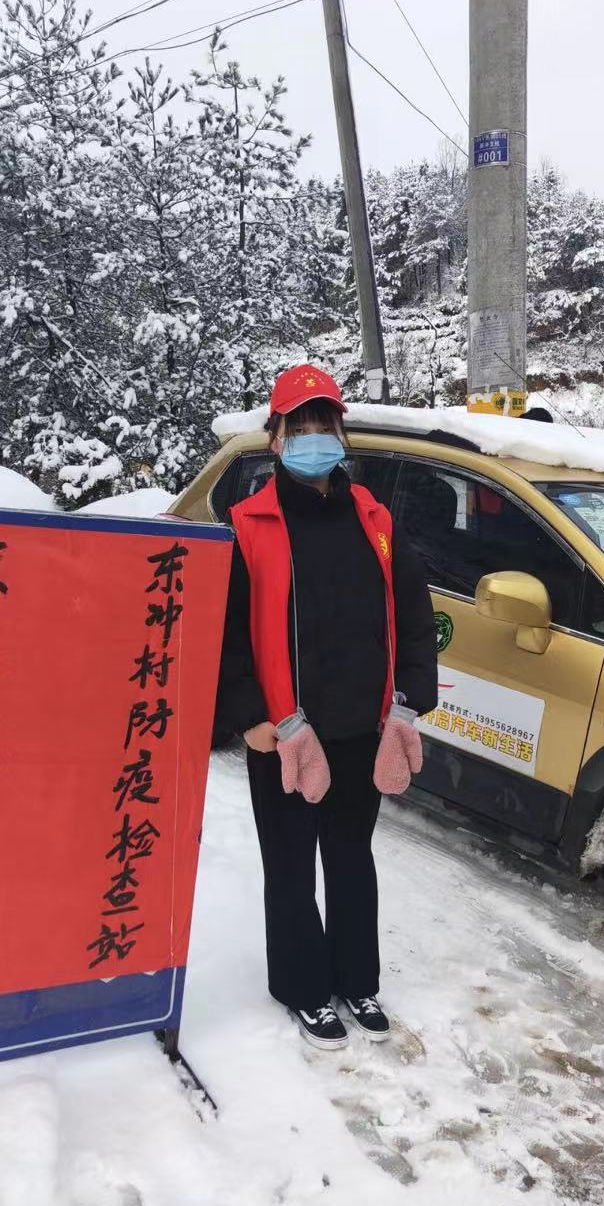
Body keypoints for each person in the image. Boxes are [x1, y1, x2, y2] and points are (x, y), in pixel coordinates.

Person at [216, 365, 438, 1050]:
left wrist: (407, 704)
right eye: (299, 425)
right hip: (287, 733)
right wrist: (252, 718)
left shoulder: (374, 520)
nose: (313, 437)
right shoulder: (247, 526)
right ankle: (304, 988)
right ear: (276, 438)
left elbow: (414, 616)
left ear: (340, 434)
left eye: (324, 424)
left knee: (351, 858)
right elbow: (226, 636)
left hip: (360, 730)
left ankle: (355, 978)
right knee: (290, 867)